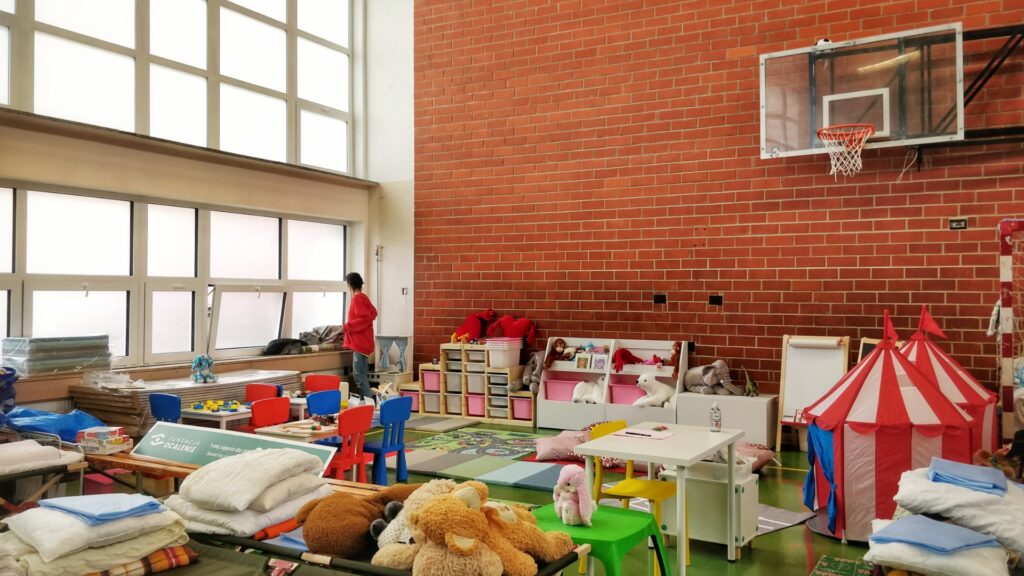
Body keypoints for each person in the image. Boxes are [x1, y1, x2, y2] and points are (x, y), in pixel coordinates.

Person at [343, 272, 377, 400]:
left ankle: (370, 406)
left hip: (360, 343)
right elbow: (372, 313)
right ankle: (369, 405)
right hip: (365, 342)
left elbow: (364, 319)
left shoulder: (357, 299)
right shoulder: (364, 297)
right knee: (361, 375)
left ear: (350, 285)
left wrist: (347, 326)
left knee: (359, 377)